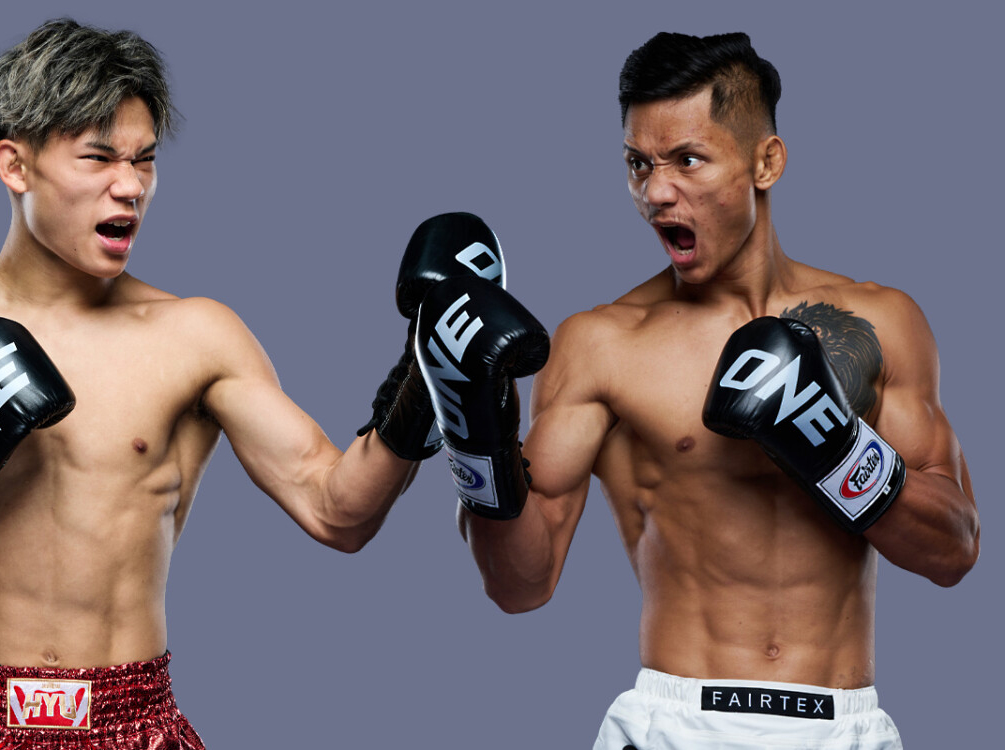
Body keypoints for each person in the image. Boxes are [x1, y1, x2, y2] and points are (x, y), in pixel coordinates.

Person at [0, 18, 503, 748]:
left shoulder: (195, 338)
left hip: (132, 724)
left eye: (144, 160)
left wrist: (422, 381)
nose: (130, 187)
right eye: (98, 158)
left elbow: (338, 513)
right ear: (15, 165)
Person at [414, 31, 979, 749]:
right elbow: (520, 586)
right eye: (637, 164)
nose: (655, 193)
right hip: (679, 724)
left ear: (765, 162)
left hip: (845, 728)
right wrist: (474, 431)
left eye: (686, 160)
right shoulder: (602, 345)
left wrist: (837, 449)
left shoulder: (883, 321)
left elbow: (953, 550)